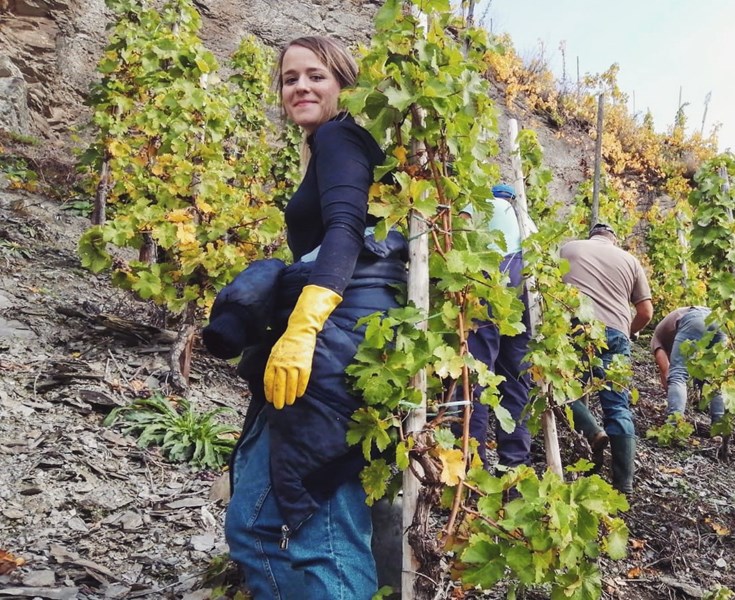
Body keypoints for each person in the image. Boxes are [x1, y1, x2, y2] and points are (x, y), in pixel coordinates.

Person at [215, 36, 407, 599]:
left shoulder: (340, 136)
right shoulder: (326, 145)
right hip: (334, 341)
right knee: (253, 525)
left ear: (344, 85)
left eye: (316, 76)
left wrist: (305, 325)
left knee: (320, 532)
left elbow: (346, 231)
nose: (300, 86)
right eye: (289, 78)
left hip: (333, 346)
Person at [561, 223, 652, 494]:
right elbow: (646, 312)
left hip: (575, 327)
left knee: (559, 386)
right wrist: (628, 333)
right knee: (618, 406)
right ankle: (624, 484)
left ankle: (592, 430)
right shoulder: (631, 260)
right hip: (615, 333)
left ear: (591, 235)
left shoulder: (569, 248)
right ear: (613, 239)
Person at [454, 183, 533, 469]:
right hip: (525, 287)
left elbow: (458, 234)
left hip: (489, 278)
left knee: (475, 372)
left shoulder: (482, 204)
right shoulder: (526, 219)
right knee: (515, 379)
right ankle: (514, 464)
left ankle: (470, 460)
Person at [650, 306, 726, 420]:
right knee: (716, 377)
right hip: (719, 320)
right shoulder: (669, 335)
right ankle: (719, 428)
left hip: (694, 319)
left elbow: (666, 372)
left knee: (677, 374)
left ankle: (674, 423)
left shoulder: (656, 340)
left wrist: (671, 394)